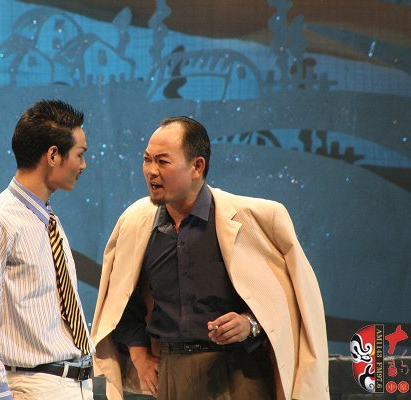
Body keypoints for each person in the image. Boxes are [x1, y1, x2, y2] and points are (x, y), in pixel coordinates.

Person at [90, 116, 329, 400]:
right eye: (147, 160)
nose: (151, 171)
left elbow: (288, 302)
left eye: (163, 161)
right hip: (172, 371)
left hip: (240, 372)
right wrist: (140, 356)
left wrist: (249, 324)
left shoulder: (254, 219)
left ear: (197, 166)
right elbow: (122, 301)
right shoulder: (135, 223)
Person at [0, 99, 95, 400]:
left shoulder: (47, 220)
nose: (83, 165)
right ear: (53, 155)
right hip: (34, 386)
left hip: (77, 384)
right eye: (80, 154)